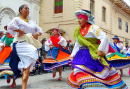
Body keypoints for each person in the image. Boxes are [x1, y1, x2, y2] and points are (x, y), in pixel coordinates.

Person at [66, 9, 128, 89]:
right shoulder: (78, 30)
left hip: (92, 55)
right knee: (79, 72)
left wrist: (101, 50)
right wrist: (72, 55)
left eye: (80, 18)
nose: (79, 20)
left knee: (97, 74)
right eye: (78, 19)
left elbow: (104, 37)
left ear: (86, 19)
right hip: (81, 55)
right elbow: (78, 44)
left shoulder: (93, 28)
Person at [7, 4, 43, 89]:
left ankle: (24, 87)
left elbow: (40, 30)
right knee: (33, 50)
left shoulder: (32, 22)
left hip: (28, 43)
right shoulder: (17, 19)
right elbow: (10, 26)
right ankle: (16, 75)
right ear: (20, 10)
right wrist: (20, 30)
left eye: (28, 9)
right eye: (26, 8)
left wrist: (36, 34)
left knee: (27, 69)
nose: (28, 10)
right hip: (20, 43)